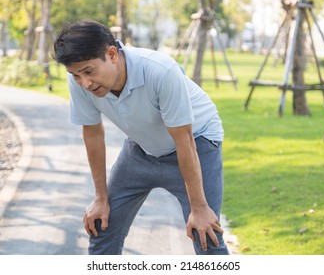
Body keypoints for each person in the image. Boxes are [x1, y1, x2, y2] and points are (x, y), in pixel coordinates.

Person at [53, 20, 228, 255]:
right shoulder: (80, 82)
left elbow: (184, 139)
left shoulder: (160, 70)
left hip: (196, 143)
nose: (85, 83)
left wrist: (199, 207)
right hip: (141, 150)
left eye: (88, 72)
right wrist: (100, 197)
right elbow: (93, 133)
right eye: (75, 75)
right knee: (102, 225)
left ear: (112, 54)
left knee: (205, 232)